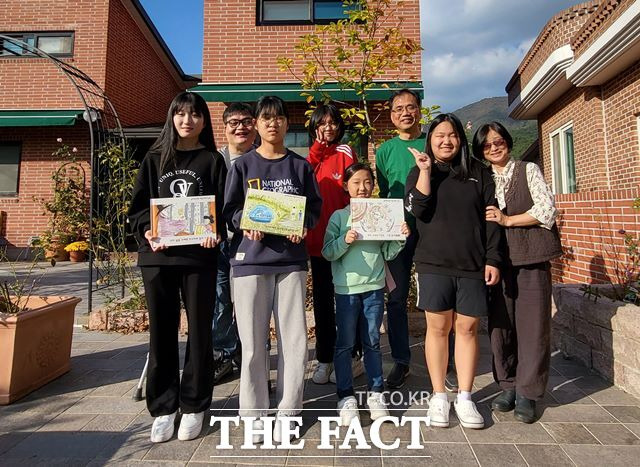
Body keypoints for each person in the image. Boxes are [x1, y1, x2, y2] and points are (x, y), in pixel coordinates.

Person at [223, 95, 322, 443]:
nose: (273, 123)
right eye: (266, 118)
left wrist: (304, 225)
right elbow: (230, 210)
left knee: (293, 342)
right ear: (257, 125)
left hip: (291, 263)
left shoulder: (300, 167)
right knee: (251, 345)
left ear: (285, 124)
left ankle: (289, 412)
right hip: (250, 262)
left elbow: (314, 209)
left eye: (279, 118)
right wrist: (243, 223)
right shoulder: (243, 166)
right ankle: (253, 413)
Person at [128, 91, 226, 443]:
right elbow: (138, 208)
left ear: (204, 120)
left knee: (200, 333)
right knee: (161, 333)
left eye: (195, 114)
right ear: (172, 117)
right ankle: (163, 407)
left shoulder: (213, 160)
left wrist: (215, 233)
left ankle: (195, 404)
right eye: (181, 114)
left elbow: (221, 210)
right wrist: (147, 230)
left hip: (199, 258)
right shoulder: (155, 158)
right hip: (159, 256)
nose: (188, 120)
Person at [404, 113, 502, 430]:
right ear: (430, 139)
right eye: (439, 135)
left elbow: (491, 218)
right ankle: (438, 396)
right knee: (437, 328)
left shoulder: (479, 172)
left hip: (473, 264)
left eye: (452, 135)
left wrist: (493, 259)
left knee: (468, 329)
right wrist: (424, 171)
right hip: (433, 263)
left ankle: (465, 396)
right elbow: (417, 209)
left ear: (460, 139)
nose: (446, 140)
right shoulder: (419, 170)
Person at [472, 121, 562, 424]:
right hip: (497, 262)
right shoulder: (481, 177)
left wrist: (508, 220)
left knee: (533, 327)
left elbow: (546, 209)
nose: (494, 147)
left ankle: (528, 392)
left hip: (532, 258)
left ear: (508, 142)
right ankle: (507, 384)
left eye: (498, 141)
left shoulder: (527, 169)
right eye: (487, 145)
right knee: (501, 326)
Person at [322, 163, 410, 426]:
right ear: (346, 186)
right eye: (356, 182)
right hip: (346, 290)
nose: (363, 187)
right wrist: (343, 241)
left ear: (374, 185)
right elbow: (327, 252)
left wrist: (400, 237)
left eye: (368, 182)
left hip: (374, 288)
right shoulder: (339, 217)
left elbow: (386, 253)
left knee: (372, 341)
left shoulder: (380, 214)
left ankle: (376, 393)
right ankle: (345, 396)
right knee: (345, 343)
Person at [305, 103, 362, 385]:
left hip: (345, 240)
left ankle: (352, 356)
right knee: (323, 303)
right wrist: (317, 147)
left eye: (333, 122)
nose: (329, 127)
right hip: (317, 242)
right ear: (314, 127)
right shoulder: (311, 158)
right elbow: (306, 173)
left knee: (349, 300)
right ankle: (325, 358)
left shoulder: (345, 152)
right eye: (322, 123)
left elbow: (357, 189)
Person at [375, 88, 424, 388]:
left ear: (419, 110)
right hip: (396, 234)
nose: (405, 112)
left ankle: (443, 359)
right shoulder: (384, 151)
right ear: (392, 116)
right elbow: (384, 192)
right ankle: (401, 361)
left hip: (433, 231)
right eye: (398, 109)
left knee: (438, 298)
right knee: (395, 298)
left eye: (410, 107)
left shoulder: (432, 143)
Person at [212, 102, 257, 383]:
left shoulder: (263, 159)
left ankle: (250, 355)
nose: (240, 127)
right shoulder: (214, 160)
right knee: (219, 302)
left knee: (250, 302)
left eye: (246, 121)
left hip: (251, 243)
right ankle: (225, 355)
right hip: (216, 243)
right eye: (234, 122)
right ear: (225, 127)